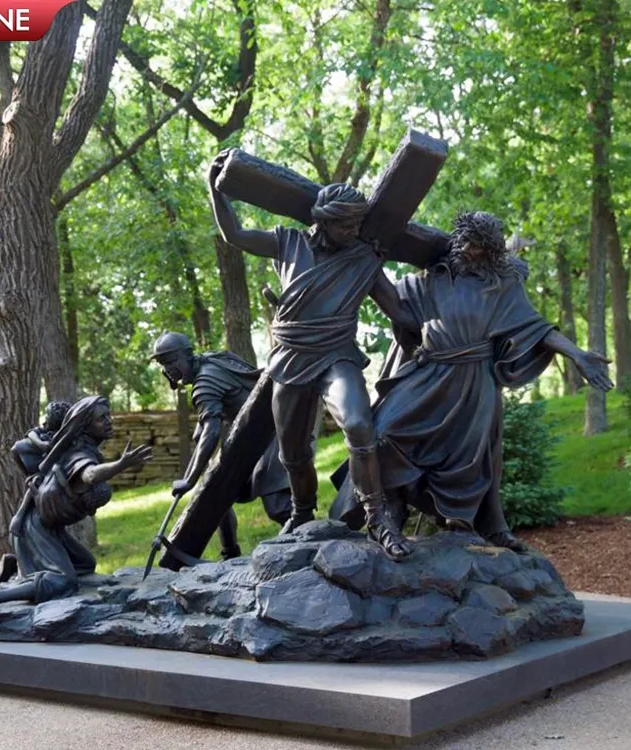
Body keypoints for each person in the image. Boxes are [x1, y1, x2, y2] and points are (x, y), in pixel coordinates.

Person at [330, 211, 613, 550]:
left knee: (469, 459)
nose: (465, 248)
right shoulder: (430, 279)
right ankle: (389, 511)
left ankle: (468, 527)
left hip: (474, 384)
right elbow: (403, 314)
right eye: (462, 239)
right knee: (384, 433)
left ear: (490, 251)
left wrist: (577, 354)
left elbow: (535, 327)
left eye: (476, 246)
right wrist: (371, 270)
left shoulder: (501, 285)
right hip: (428, 374)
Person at [208, 149, 417, 560]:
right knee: (293, 454)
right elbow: (236, 236)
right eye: (346, 224)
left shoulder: (364, 259)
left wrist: (429, 325)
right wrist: (216, 192)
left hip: (337, 355)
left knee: (359, 425)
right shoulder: (287, 243)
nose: (354, 230)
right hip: (289, 359)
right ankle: (302, 514)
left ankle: (378, 519)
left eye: (358, 223)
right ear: (323, 220)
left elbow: (396, 308)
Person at [0, 396, 152, 619]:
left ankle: (20, 568)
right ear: (85, 426)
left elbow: (36, 482)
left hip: (50, 529)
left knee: (85, 564)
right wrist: (120, 465)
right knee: (64, 581)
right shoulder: (80, 455)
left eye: (108, 416)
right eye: (101, 418)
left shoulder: (73, 450)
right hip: (35, 529)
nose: (109, 421)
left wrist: (19, 515)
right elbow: (89, 475)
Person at [151, 331, 292, 559]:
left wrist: (190, 480)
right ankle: (230, 554)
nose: (167, 370)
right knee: (217, 493)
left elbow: (211, 432)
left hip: (274, 432)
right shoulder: (214, 359)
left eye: (170, 362)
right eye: (163, 364)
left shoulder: (204, 382)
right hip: (253, 435)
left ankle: (310, 544)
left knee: (278, 506)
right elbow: (226, 405)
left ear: (186, 355)